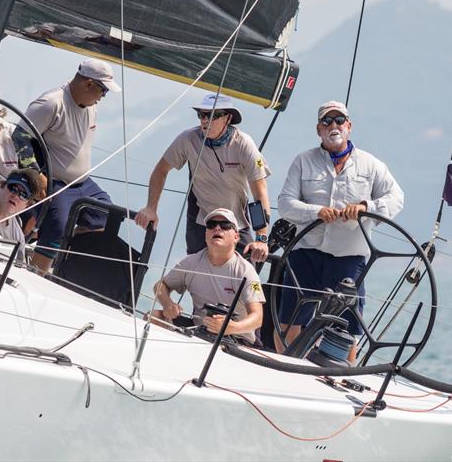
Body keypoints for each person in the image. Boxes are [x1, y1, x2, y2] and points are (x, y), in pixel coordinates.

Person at [276, 100, 404, 361]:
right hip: (306, 253)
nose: (333, 126)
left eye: (339, 120)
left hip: (349, 258)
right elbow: (284, 204)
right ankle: (287, 369)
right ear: (318, 129)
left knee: (347, 327)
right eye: (327, 121)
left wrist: (366, 206)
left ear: (349, 126)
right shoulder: (303, 161)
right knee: (290, 320)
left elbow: (396, 198)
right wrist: (316, 212)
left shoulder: (371, 165)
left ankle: (343, 377)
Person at [135, 93, 271, 262]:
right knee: (198, 278)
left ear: (228, 118)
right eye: (202, 115)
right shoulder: (187, 139)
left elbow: (260, 193)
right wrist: (151, 208)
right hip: (200, 222)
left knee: (245, 277)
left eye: (213, 115)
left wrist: (261, 238)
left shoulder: (244, 144)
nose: (205, 120)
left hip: (236, 223)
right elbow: (160, 170)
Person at [23, 58, 121, 272]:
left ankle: (61, 254)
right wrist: (35, 174)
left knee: (108, 217)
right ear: (89, 84)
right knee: (58, 226)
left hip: (83, 183)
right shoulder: (51, 103)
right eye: (103, 91)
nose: (102, 98)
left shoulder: (90, 105)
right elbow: (20, 137)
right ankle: (37, 274)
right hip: (56, 182)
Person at [151, 208, 265, 345]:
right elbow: (160, 285)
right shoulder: (190, 262)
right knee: (153, 317)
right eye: (211, 225)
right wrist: (167, 303)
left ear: (236, 237)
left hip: (237, 339)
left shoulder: (247, 271)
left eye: (225, 225)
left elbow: (258, 317)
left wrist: (232, 327)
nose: (217, 228)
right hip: (198, 330)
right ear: (206, 234)